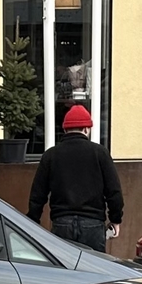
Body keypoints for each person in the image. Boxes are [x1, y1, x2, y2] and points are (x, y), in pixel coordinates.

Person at [27, 104, 123, 251]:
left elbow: (38, 194)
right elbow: (114, 191)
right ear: (86, 129)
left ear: (65, 130)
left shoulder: (51, 155)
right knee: (94, 265)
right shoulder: (100, 153)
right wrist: (115, 219)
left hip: (62, 222)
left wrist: (33, 220)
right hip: (93, 223)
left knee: (63, 266)